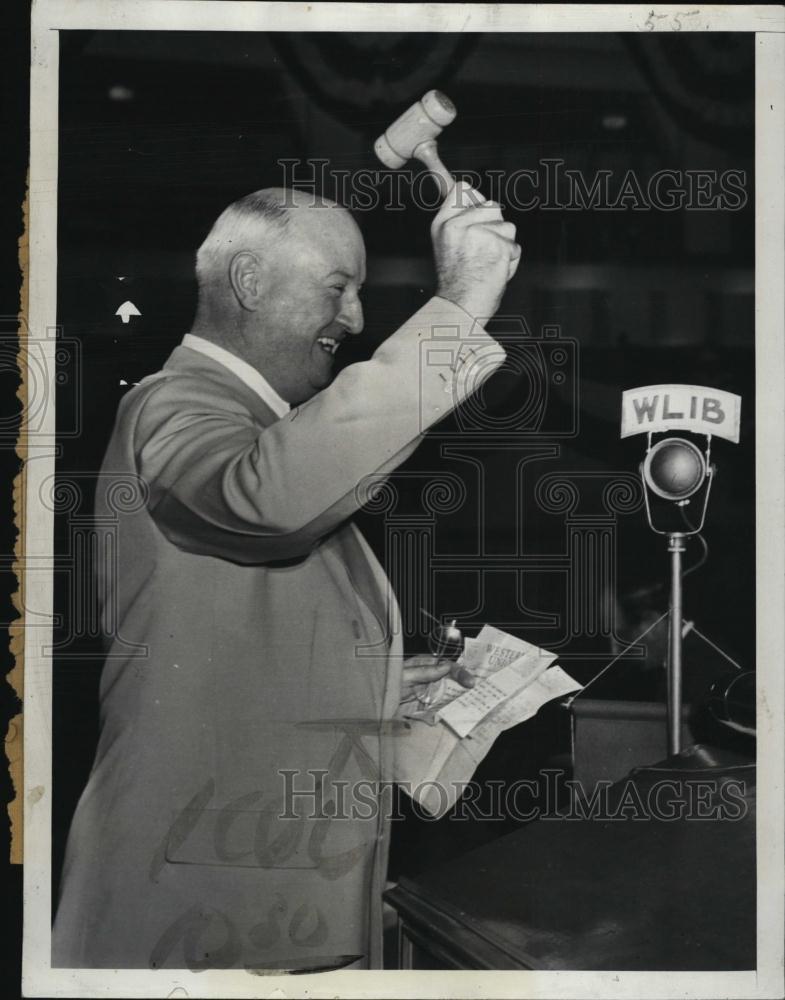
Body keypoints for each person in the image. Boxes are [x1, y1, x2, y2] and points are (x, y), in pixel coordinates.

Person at [52, 183, 520, 970]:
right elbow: (265, 501)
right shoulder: (173, 407)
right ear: (248, 282)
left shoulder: (255, 428)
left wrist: (367, 685)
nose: (355, 320)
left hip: (251, 893)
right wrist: (458, 307)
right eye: (338, 290)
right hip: (210, 911)